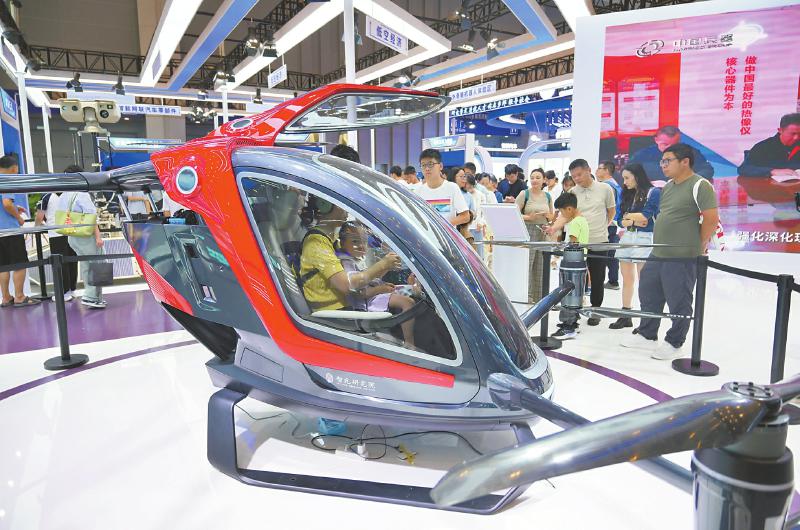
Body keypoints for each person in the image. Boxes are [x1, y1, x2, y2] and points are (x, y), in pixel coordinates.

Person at [621, 143, 719, 360]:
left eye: (667, 161)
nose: (663, 165)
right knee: (648, 292)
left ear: (685, 162)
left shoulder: (700, 185)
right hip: (658, 252)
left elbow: (711, 219)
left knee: (679, 300)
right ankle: (647, 334)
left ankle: (675, 341)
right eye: (662, 161)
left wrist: (698, 245)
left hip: (682, 255)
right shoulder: (667, 187)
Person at [546, 159, 615, 333]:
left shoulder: (605, 189)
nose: (576, 179)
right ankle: (573, 312)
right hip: (576, 243)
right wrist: (554, 227)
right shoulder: (572, 192)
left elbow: (611, 211)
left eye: (579, 174)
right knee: (575, 279)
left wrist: (602, 227)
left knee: (598, 278)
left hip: (599, 241)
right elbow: (564, 215)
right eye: (573, 176)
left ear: (588, 170)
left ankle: (595, 311)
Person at [336, 221, 415, 346]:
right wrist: (381, 289)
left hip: (373, 293)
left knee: (411, 291)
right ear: (342, 243)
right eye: (355, 241)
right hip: (366, 302)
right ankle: (410, 342)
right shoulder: (346, 262)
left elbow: (372, 278)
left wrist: (387, 268)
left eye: (364, 241)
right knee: (408, 302)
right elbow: (358, 293)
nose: (361, 246)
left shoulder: (355, 259)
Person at [608, 163, 660, 330]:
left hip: (645, 238)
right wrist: (631, 219)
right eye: (623, 178)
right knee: (627, 279)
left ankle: (646, 322)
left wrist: (628, 217)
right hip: (628, 237)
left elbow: (646, 216)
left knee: (644, 281)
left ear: (637, 176)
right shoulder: (626, 194)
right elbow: (619, 220)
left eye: (627, 178)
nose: (624, 182)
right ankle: (626, 315)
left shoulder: (653, 192)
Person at [57, 165, 107, 309]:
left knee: (86, 265)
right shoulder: (82, 194)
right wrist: (98, 237)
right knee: (99, 264)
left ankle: (95, 297)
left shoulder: (64, 195)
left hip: (72, 236)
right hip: (86, 235)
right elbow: (91, 217)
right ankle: (91, 296)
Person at [546, 193, 588, 340]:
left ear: (569, 209)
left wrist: (559, 248)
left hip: (571, 263)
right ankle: (573, 322)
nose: (562, 215)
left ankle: (568, 327)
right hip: (580, 261)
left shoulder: (575, 223)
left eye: (562, 212)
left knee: (567, 293)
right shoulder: (583, 220)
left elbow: (573, 243)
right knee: (576, 294)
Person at [0, 155, 41, 308]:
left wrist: (15, 208)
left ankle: (6, 297)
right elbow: (6, 203)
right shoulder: (6, 180)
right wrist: (18, 217)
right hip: (10, 231)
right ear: (14, 168)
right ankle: (19, 296)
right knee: (19, 263)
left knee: (3, 265)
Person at [516, 168, 554, 303]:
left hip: (543, 230)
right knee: (528, 264)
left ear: (544, 180)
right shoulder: (524, 194)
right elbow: (514, 213)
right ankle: (527, 295)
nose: (534, 180)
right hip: (528, 230)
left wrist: (548, 216)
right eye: (532, 177)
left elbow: (552, 216)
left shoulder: (547, 196)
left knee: (541, 264)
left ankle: (540, 297)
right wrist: (528, 217)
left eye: (538, 177)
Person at [630, 126, 714, 183]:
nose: (669, 149)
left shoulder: (690, 152)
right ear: (656, 140)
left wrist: (690, 180)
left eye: (674, 145)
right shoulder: (643, 155)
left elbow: (707, 169)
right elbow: (628, 172)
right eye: (665, 144)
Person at [36, 190, 78, 301]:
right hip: (71, 232)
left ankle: (63, 293)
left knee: (59, 263)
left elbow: (39, 216)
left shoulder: (46, 195)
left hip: (56, 234)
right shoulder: (70, 194)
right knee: (72, 261)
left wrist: (36, 227)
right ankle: (72, 289)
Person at [414, 149, 470, 231]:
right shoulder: (418, 192)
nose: (427, 168)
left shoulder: (452, 188)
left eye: (430, 164)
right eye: (423, 165)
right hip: (426, 237)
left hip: (446, 237)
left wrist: (442, 225)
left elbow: (465, 216)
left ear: (440, 166)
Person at [738, 113, 800, 178]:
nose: (796, 137)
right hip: (769, 184)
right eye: (792, 134)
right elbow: (743, 169)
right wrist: (772, 171)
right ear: (780, 130)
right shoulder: (764, 147)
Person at [596, 160, 622, 290]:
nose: (596, 171)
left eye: (599, 168)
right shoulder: (615, 185)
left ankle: (606, 281)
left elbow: (605, 207)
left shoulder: (606, 186)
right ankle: (613, 281)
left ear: (606, 170)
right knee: (611, 253)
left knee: (602, 254)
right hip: (613, 224)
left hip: (607, 224)